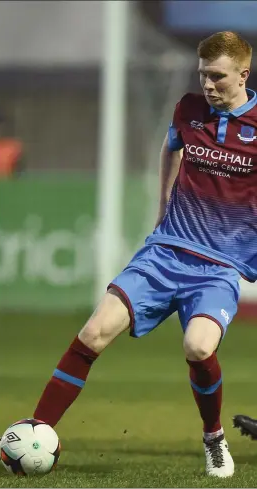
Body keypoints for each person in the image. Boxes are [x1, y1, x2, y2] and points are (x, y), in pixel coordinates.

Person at [33, 31, 257, 478]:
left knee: (197, 346)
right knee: (94, 332)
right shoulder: (188, 109)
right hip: (165, 253)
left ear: (243, 75)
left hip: (218, 267)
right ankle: (34, 431)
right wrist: (161, 209)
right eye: (203, 76)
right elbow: (170, 148)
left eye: (217, 77)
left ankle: (213, 436)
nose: (208, 85)